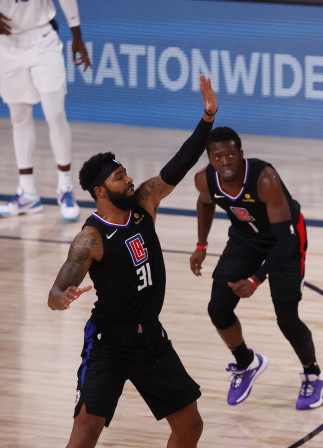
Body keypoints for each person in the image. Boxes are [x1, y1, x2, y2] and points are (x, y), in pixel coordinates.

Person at [46, 74, 217, 447]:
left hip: (150, 337)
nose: (129, 180)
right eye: (120, 177)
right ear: (99, 190)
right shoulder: (90, 238)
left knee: (190, 426)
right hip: (109, 342)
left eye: (126, 175)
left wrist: (207, 119)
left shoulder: (144, 204)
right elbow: (56, 291)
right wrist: (63, 297)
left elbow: (181, 163)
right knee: (86, 430)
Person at [188, 127, 323, 410]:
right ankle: (246, 362)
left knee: (287, 319)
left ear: (240, 154)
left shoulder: (265, 179)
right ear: (210, 159)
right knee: (218, 308)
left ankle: (313, 374)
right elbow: (205, 204)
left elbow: (285, 240)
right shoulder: (204, 180)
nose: (225, 161)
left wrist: (256, 278)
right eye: (218, 156)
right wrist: (201, 245)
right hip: (245, 238)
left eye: (230, 154)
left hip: (285, 238)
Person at [0, 0, 91, 221]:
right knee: (19, 117)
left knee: (55, 113)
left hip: (43, 39)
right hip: (7, 43)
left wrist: (76, 35)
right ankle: (27, 192)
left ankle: (65, 186)